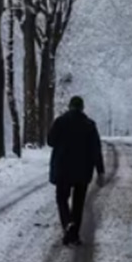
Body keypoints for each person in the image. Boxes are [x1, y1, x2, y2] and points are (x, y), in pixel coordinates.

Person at [47, 95, 105, 246]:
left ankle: (67, 224)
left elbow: (50, 141)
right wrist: (100, 171)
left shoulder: (60, 122)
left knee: (61, 199)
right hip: (83, 170)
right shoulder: (89, 125)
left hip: (62, 169)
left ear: (69, 106)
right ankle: (74, 236)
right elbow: (96, 150)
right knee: (78, 204)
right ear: (82, 108)